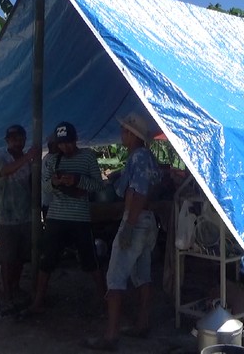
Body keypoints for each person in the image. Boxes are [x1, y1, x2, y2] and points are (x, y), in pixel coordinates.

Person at [85, 113, 161, 351]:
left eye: (124, 131)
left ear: (131, 134)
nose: (121, 135)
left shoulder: (137, 158)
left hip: (136, 220)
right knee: (142, 274)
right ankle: (142, 323)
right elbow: (152, 188)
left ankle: (111, 335)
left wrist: (128, 225)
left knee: (115, 277)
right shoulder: (148, 157)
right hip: (148, 221)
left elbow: (138, 193)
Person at [25, 121, 106, 315]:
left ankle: (105, 300)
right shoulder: (52, 160)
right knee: (47, 260)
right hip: (56, 217)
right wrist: (54, 182)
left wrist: (78, 181)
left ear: (75, 140)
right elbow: (43, 187)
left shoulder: (87, 157)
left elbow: (99, 186)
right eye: (61, 144)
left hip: (80, 218)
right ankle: (38, 301)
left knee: (90, 261)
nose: (65, 147)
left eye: (68, 143)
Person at [0, 124, 39, 314]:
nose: (18, 142)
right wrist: (28, 157)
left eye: (20, 139)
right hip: (6, 215)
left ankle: (16, 286)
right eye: (14, 139)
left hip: (25, 214)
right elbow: (5, 171)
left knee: (20, 255)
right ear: (8, 141)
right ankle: (6, 290)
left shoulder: (28, 161)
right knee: (7, 256)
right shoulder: (0, 157)